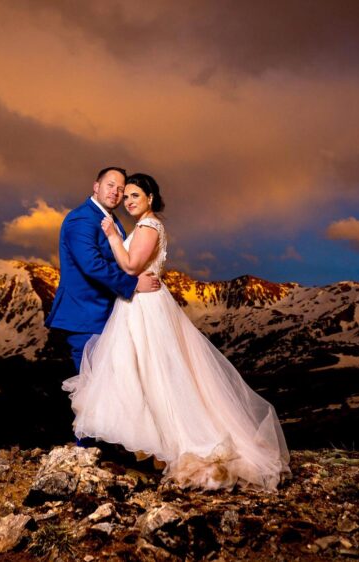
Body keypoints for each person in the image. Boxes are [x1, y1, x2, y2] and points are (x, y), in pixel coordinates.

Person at [62, 173, 291, 491]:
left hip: (145, 304)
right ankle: (133, 446)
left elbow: (130, 266)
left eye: (134, 195)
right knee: (142, 371)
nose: (127, 200)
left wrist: (114, 238)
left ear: (150, 198)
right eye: (124, 195)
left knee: (158, 372)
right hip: (136, 302)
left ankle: (171, 442)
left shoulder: (147, 226)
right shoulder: (134, 224)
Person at [45, 166, 161, 372]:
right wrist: (134, 283)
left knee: (112, 386)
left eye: (121, 189)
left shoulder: (112, 221)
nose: (115, 192)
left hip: (107, 315)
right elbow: (92, 265)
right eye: (110, 185)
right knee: (93, 389)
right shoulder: (81, 218)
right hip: (87, 316)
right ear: (96, 186)